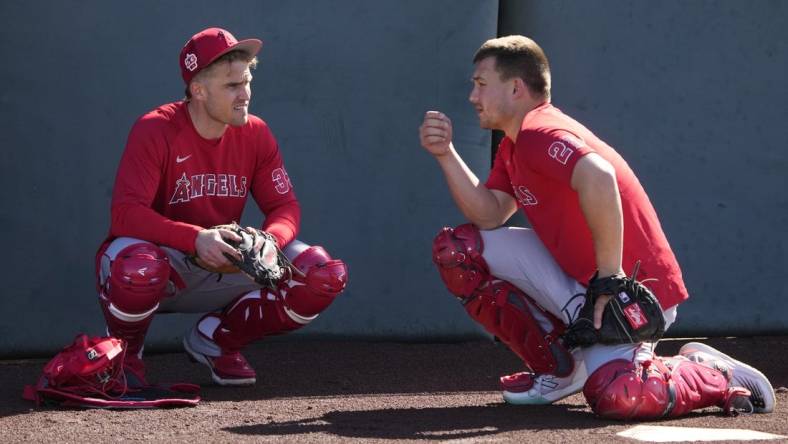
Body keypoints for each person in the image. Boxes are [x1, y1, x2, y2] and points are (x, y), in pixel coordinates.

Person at [419, 35, 775, 419]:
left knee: (622, 395)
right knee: (460, 251)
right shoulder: (515, 145)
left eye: (481, 84)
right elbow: (489, 214)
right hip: (586, 284)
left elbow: (599, 176)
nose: (473, 96)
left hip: (634, 293)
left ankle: (713, 373)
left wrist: (610, 278)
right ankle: (559, 368)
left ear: (516, 88)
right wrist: (446, 154)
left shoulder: (539, 132)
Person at [96, 27, 348, 387]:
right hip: (164, 261)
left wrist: (271, 239)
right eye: (232, 86)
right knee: (138, 267)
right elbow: (125, 215)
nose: (245, 94)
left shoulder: (256, 133)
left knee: (322, 274)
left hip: (224, 259)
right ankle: (126, 356)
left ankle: (216, 340)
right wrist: (195, 238)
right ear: (198, 90)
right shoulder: (156, 129)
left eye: (247, 82)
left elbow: (285, 205)